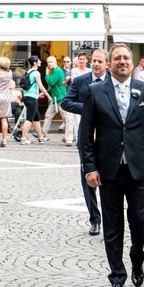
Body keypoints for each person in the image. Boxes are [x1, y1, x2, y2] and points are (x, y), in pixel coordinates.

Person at [80, 43, 144, 287]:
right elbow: (85, 136)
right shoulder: (94, 92)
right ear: (109, 64)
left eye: (126, 58)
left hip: (138, 168)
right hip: (107, 170)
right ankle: (117, 278)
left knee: (139, 221)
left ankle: (137, 257)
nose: (122, 61)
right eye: (117, 58)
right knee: (112, 226)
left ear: (132, 63)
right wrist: (90, 168)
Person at [61, 48, 109, 236]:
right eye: (94, 61)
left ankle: (110, 217)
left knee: (108, 177)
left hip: (107, 137)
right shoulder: (81, 81)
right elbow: (66, 102)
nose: (96, 64)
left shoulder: (112, 81)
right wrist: (88, 109)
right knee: (87, 176)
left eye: (100, 61)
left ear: (107, 64)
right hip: (87, 136)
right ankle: (95, 219)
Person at [42, 56, 73, 146]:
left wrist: (46, 73)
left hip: (61, 98)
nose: (49, 64)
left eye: (51, 62)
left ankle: (68, 138)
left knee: (67, 118)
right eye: (48, 62)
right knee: (48, 115)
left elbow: (51, 82)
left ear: (55, 62)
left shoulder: (57, 71)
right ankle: (43, 135)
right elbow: (53, 87)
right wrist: (44, 93)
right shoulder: (54, 71)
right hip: (55, 99)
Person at [20, 56, 52, 145]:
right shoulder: (36, 73)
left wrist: (37, 94)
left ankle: (41, 138)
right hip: (32, 98)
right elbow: (41, 86)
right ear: (35, 63)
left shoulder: (28, 72)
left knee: (36, 118)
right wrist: (48, 96)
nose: (41, 62)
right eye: (39, 61)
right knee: (29, 119)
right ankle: (23, 138)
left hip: (28, 96)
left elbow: (31, 87)